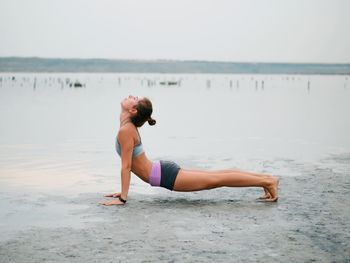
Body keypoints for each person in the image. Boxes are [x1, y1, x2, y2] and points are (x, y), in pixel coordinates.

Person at [100, 95, 279, 206]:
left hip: (164, 175)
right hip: (161, 171)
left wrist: (123, 198)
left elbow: (126, 167)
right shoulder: (126, 126)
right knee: (217, 176)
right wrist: (122, 191)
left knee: (216, 179)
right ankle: (265, 180)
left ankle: (268, 181)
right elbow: (130, 166)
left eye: (135, 98)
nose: (131, 95)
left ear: (132, 110)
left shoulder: (126, 130)